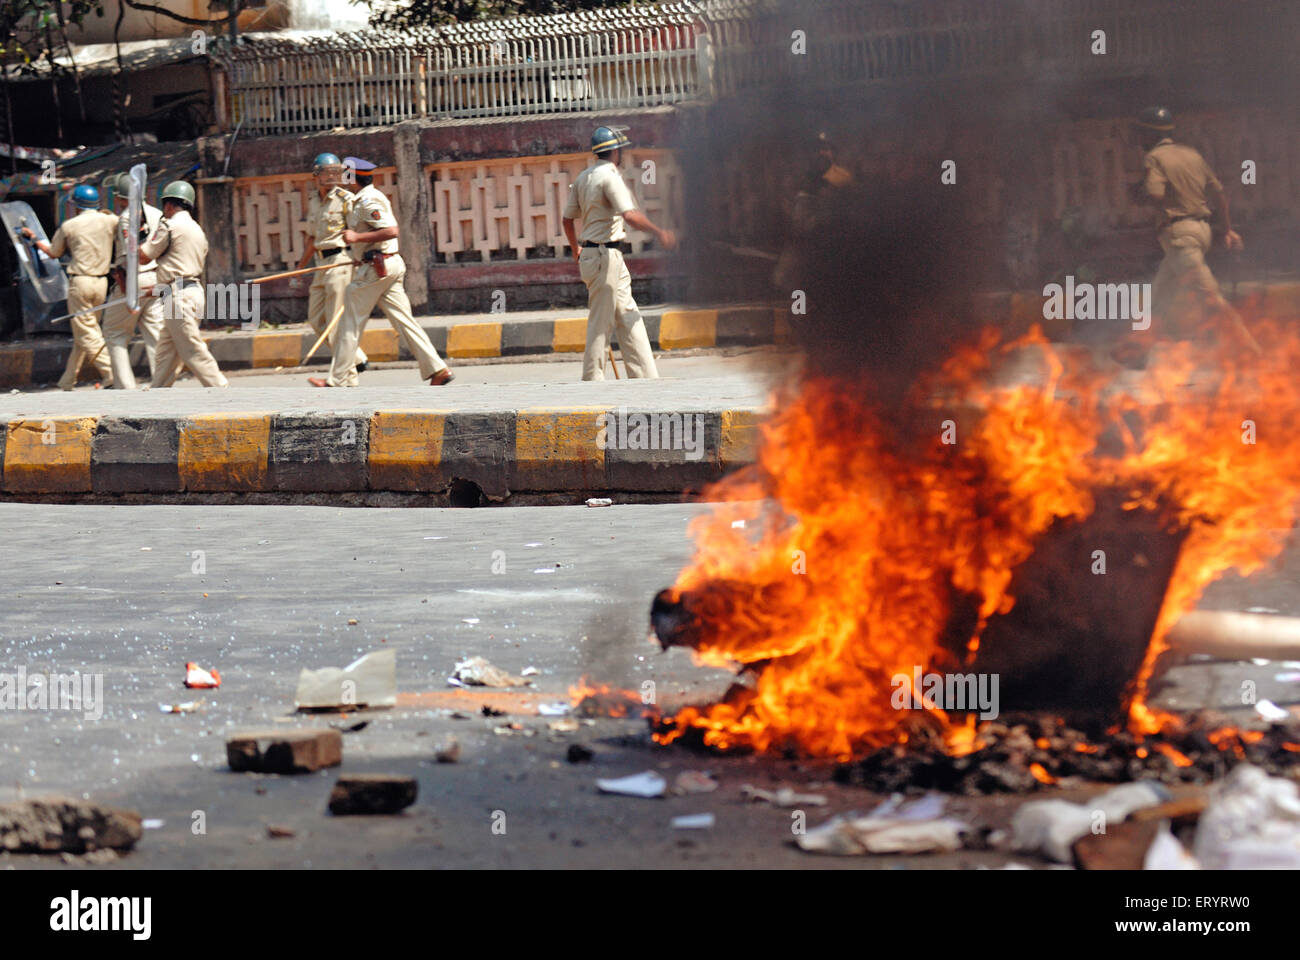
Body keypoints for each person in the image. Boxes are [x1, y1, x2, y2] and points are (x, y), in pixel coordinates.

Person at [309, 156, 451, 388]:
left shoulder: (367, 201)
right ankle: (438, 369)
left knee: (349, 323)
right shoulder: (363, 198)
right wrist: (359, 254)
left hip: (377, 269)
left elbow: (391, 231)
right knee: (405, 322)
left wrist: (357, 238)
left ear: (353, 178)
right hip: (382, 265)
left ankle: (337, 380)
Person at [1132, 106, 1254, 348]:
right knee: (1159, 298)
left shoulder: (1154, 158)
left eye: (1141, 135)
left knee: (1209, 297)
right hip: (1201, 231)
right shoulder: (1192, 154)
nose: (1139, 141)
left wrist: (1139, 193)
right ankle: (1137, 350)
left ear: (1149, 135)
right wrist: (1228, 229)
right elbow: (1218, 194)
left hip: (1180, 236)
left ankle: (1249, 349)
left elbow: (1156, 194)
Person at [562, 125, 676, 381]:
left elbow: (567, 220)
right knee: (601, 324)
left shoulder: (584, 177)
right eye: (620, 149)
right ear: (615, 151)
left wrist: (575, 249)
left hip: (602, 256)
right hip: (604, 257)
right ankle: (592, 381)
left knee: (628, 315)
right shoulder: (610, 177)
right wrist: (660, 233)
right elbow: (630, 215)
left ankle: (645, 377)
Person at [20, 184, 117, 390]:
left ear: (77, 205)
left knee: (87, 333)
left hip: (80, 283)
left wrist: (34, 238)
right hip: (102, 283)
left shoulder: (70, 226)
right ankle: (67, 380)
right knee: (86, 332)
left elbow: (53, 253)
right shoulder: (110, 220)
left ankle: (111, 373)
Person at [138, 180, 229, 388]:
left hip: (178, 298)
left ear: (169, 205)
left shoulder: (169, 226)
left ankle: (220, 387)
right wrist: (157, 289)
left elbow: (144, 256)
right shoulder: (197, 230)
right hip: (191, 293)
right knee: (167, 350)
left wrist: (139, 238)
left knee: (190, 347)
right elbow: (183, 268)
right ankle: (158, 391)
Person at [295, 153, 368, 373]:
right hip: (320, 263)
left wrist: (358, 262)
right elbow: (311, 238)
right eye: (327, 173)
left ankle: (346, 372)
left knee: (336, 321)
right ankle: (357, 358)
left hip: (340, 262)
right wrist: (300, 268)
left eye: (335, 172)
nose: (331, 177)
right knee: (316, 320)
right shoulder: (314, 201)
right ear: (316, 175)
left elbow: (356, 232)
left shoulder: (346, 200)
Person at [101, 171, 165, 389]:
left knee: (114, 332)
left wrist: (126, 291)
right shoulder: (157, 213)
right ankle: (162, 384)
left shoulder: (127, 217)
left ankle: (125, 388)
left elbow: (129, 256)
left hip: (134, 279)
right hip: (157, 277)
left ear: (122, 197)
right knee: (155, 332)